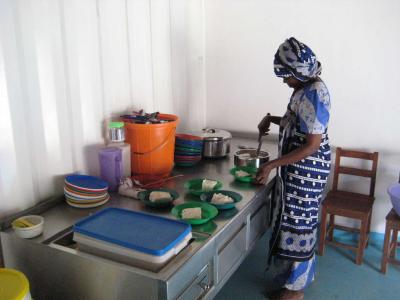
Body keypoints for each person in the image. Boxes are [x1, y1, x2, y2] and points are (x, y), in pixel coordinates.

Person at [256, 37, 331, 300]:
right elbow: (298, 123)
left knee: (298, 226)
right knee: (290, 222)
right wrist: (272, 118)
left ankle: (295, 292)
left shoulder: (316, 94)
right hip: (296, 170)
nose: (284, 81)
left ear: (297, 72)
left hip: (306, 172)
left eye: (286, 75)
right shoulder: (303, 87)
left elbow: (311, 145)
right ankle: (290, 282)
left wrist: (272, 165)